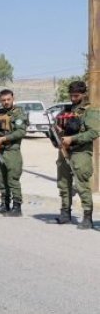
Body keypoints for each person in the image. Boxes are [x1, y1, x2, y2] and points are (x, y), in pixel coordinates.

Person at [53, 80, 100, 228]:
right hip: (64, 150)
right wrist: (58, 132)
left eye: (76, 95)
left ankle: (87, 217)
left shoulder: (90, 111)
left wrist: (72, 138)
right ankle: (65, 212)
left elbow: (94, 132)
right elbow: (57, 126)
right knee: (63, 183)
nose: (73, 99)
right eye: (71, 95)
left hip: (80, 152)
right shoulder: (66, 110)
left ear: (84, 94)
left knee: (82, 185)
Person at [0, 89, 27, 216]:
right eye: (3, 100)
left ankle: (17, 207)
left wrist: (3, 139)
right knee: (1, 179)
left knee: (13, 179)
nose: (6, 102)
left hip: (12, 152)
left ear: (13, 98)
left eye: (8, 99)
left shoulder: (18, 113)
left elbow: (21, 132)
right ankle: (4, 204)